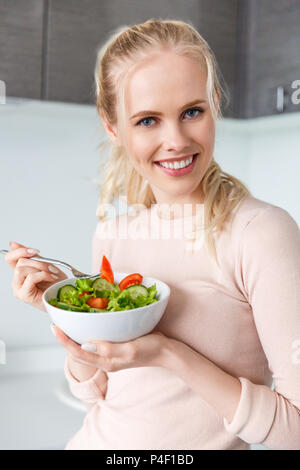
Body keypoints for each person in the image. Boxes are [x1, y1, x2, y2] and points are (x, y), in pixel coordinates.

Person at [5, 19, 300, 450]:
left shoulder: (259, 233)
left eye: (192, 112)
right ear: (113, 127)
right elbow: (101, 397)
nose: (175, 140)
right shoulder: (112, 235)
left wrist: (168, 353)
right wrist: (68, 316)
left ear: (214, 103)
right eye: (147, 120)